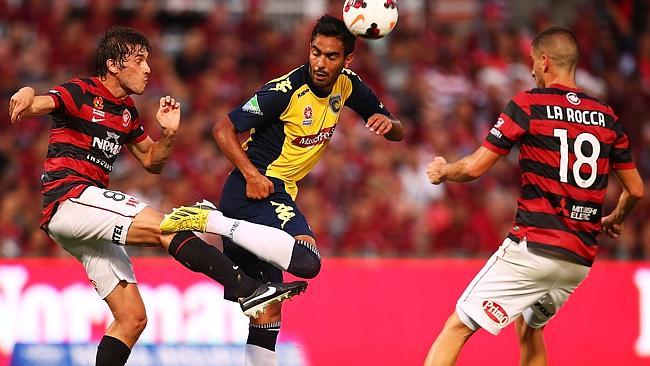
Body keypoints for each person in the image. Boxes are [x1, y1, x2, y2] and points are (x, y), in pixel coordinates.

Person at [8, 26, 307, 366]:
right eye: (138, 60)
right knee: (169, 227)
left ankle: (248, 289)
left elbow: (152, 162)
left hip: (85, 219)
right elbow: (39, 103)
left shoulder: (126, 114)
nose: (148, 68)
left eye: (148, 60)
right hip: (71, 198)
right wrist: (28, 90)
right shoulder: (81, 91)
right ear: (113, 65)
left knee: (132, 319)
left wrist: (168, 134)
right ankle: (248, 289)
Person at [160, 14, 404, 366]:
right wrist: (252, 175)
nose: (320, 63)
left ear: (347, 59)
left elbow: (397, 130)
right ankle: (209, 220)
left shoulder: (348, 85)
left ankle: (213, 222)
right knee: (308, 261)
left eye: (331, 56)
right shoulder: (284, 91)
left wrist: (388, 124)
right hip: (253, 192)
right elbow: (222, 128)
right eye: (315, 52)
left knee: (266, 312)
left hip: (278, 194)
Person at [423, 26, 644, 366]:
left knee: (457, 326)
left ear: (544, 62)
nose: (530, 70)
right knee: (529, 327)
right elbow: (636, 189)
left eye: (532, 62)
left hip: (534, 247)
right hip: (578, 258)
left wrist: (444, 170)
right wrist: (616, 217)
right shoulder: (607, 117)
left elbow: (475, 168)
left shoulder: (529, 104)